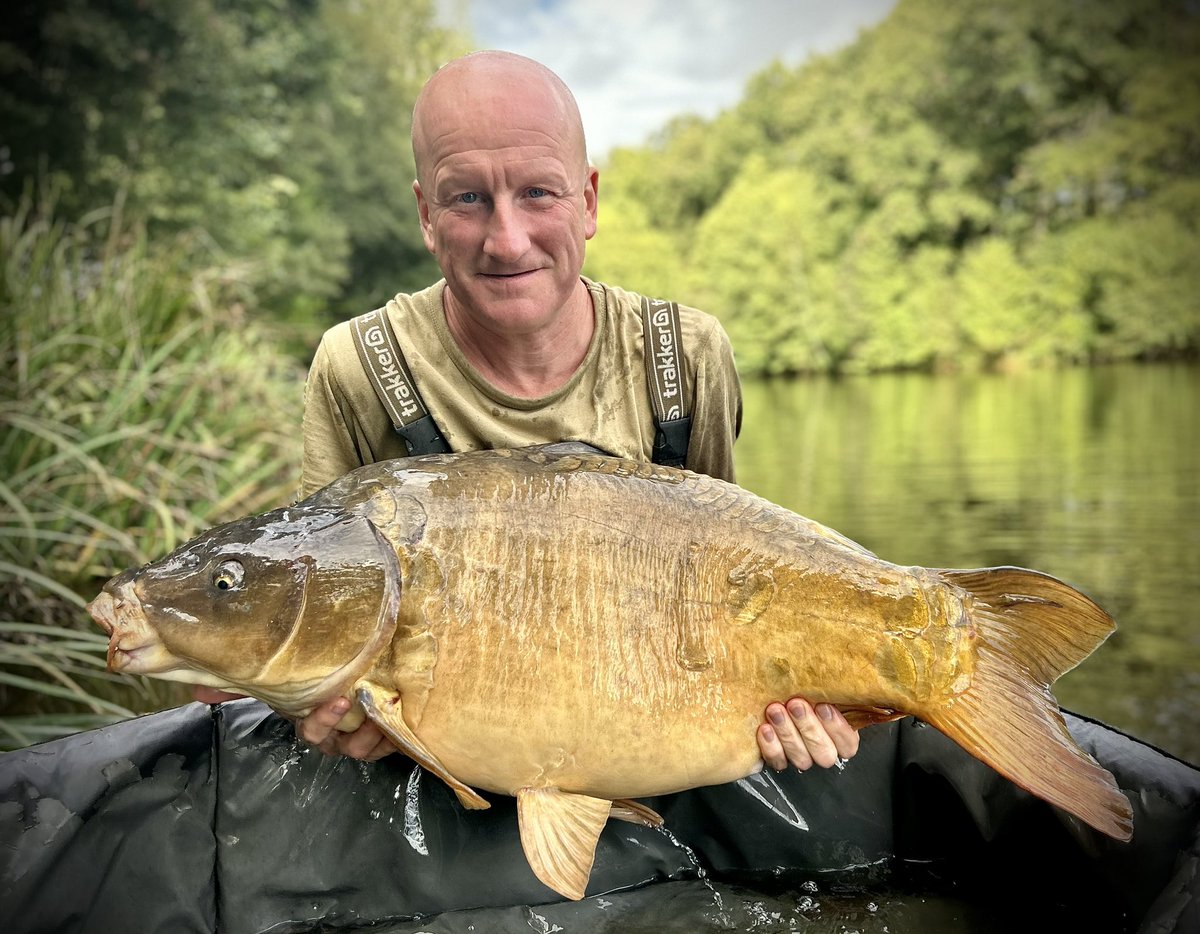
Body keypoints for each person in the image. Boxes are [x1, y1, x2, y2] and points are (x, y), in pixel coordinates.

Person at [196, 50, 858, 776]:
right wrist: (321, 713)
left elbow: (732, 592)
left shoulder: (686, 356)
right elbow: (314, 599)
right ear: (425, 215)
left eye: (539, 192)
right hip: (438, 771)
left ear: (589, 201)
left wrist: (808, 712)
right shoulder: (358, 368)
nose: (507, 240)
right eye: (467, 199)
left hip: (653, 740)